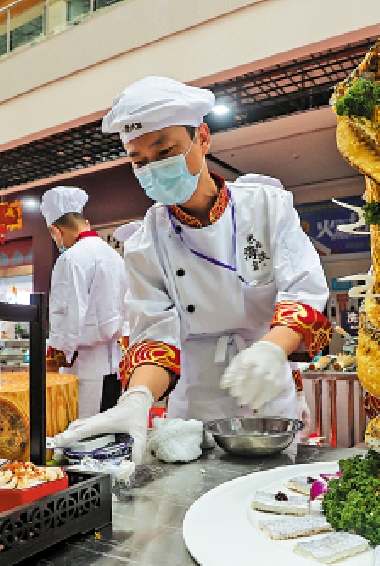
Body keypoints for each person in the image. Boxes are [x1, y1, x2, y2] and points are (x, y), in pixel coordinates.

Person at [53, 77, 331, 461]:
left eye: (165, 150)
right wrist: (137, 398)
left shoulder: (267, 207)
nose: (153, 168)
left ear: (202, 138)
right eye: (139, 161)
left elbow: (303, 291)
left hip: (266, 392)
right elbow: (155, 334)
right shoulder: (146, 241)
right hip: (192, 404)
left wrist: (270, 351)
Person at [42, 186, 129, 418]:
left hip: (84, 365)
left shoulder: (71, 258)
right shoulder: (113, 255)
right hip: (114, 362)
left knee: (83, 433)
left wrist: (55, 357)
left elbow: (67, 315)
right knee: (109, 430)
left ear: (56, 231)